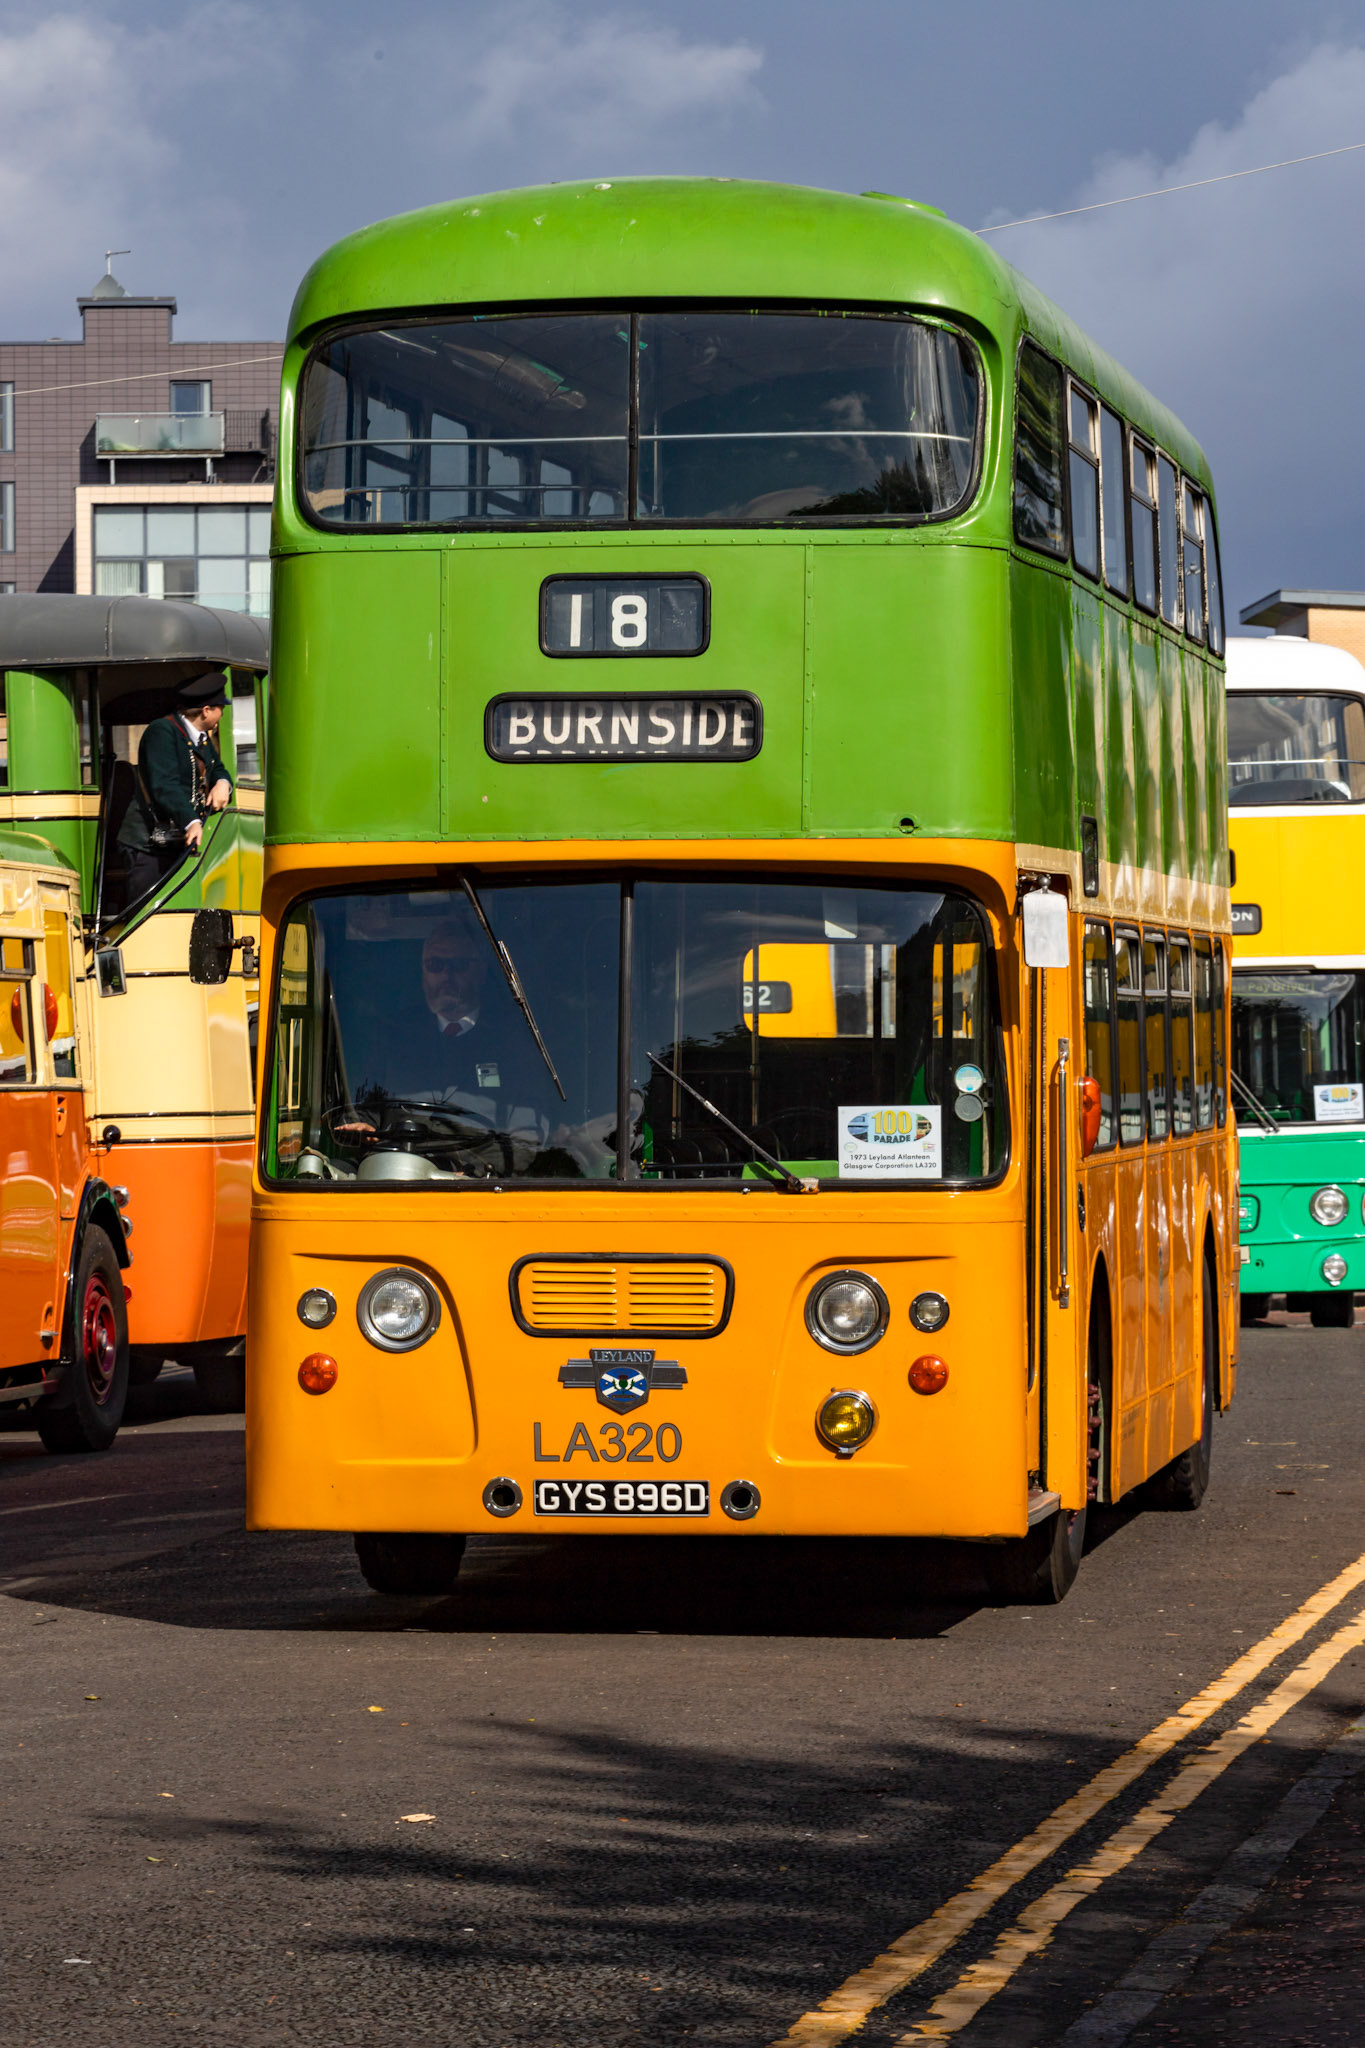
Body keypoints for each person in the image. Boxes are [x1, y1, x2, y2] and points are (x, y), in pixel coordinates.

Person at [116, 673, 233, 906]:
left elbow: (217, 768)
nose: (222, 713)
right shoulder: (162, 732)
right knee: (148, 910)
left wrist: (223, 784)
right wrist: (191, 821)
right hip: (148, 846)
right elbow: (164, 785)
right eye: (220, 708)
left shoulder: (200, 738)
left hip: (176, 842)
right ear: (206, 710)